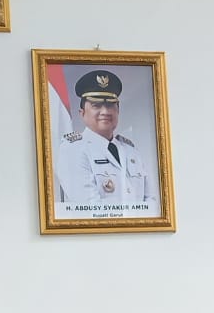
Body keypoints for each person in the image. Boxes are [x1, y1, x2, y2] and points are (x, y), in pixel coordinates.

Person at [56, 70, 158, 212]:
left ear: (118, 110)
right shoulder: (73, 150)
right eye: (96, 105)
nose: (105, 111)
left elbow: (151, 202)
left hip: (138, 225)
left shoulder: (131, 151)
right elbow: (90, 208)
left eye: (110, 105)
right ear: (82, 113)